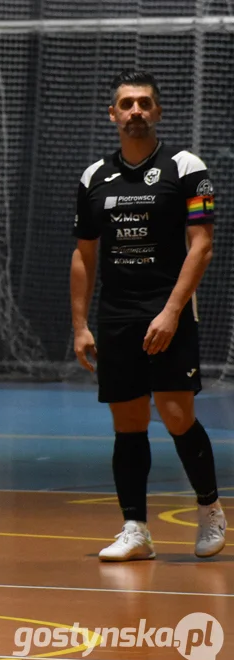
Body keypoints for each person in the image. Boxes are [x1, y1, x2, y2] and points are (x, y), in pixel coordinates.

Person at [71, 70, 226, 562]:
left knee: (178, 416)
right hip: (117, 315)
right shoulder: (95, 177)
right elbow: (83, 255)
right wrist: (80, 325)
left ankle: (210, 510)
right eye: (126, 104)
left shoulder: (186, 168)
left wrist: (171, 311)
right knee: (129, 423)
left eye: (144, 103)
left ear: (157, 112)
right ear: (112, 114)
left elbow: (201, 245)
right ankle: (135, 530)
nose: (135, 111)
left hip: (169, 309)